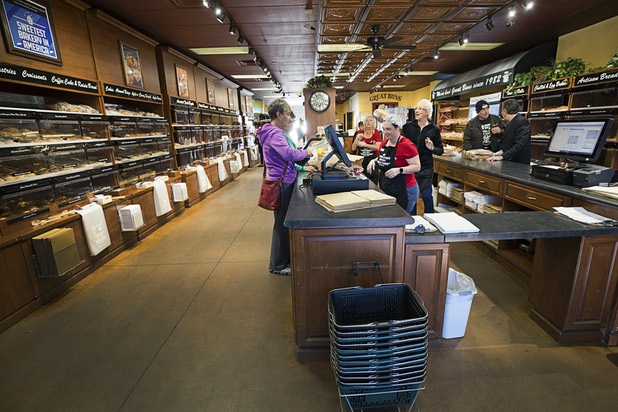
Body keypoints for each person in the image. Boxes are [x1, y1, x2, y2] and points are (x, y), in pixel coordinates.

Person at [256, 98, 311, 275]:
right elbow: (288, 154)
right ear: (278, 115)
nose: (289, 118)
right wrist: (305, 152)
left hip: (279, 180)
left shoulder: (269, 132)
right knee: (281, 225)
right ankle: (277, 265)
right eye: (287, 114)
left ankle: (283, 260)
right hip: (282, 182)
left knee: (282, 222)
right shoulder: (275, 133)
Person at [367, 114, 420, 213]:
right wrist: (374, 160)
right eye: (383, 129)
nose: (385, 132)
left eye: (388, 129)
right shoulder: (384, 143)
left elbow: (417, 166)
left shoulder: (407, 145)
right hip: (388, 188)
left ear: (397, 128)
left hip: (405, 190)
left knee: (401, 219)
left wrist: (399, 170)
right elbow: (384, 157)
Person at [402, 99, 443, 215]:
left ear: (427, 112)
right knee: (412, 196)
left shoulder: (434, 129)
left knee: (426, 196)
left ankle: (432, 220)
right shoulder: (408, 127)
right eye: (416, 108)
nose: (417, 111)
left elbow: (440, 150)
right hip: (411, 167)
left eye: (420, 109)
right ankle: (413, 221)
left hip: (426, 168)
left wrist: (432, 148)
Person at [487, 99, 531, 164]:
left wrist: (502, 156)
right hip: (508, 160)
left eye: (502, 110)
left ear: (505, 111)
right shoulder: (510, 122)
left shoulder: (522, 122)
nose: (501, 113)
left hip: (517, 163)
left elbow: (519, 145)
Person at [351, 116, 382, 182]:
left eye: (370, 120)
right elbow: (353, 148)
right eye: (366, 120)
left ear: (373, 123)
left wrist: (365, 145)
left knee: (372, 182)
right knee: (360, 181)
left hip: (372, 162)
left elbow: (378, 147)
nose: (368, 122)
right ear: (364, 123)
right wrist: (356, 140)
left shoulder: (376, 133)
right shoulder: (360, 133)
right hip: (360, 162)